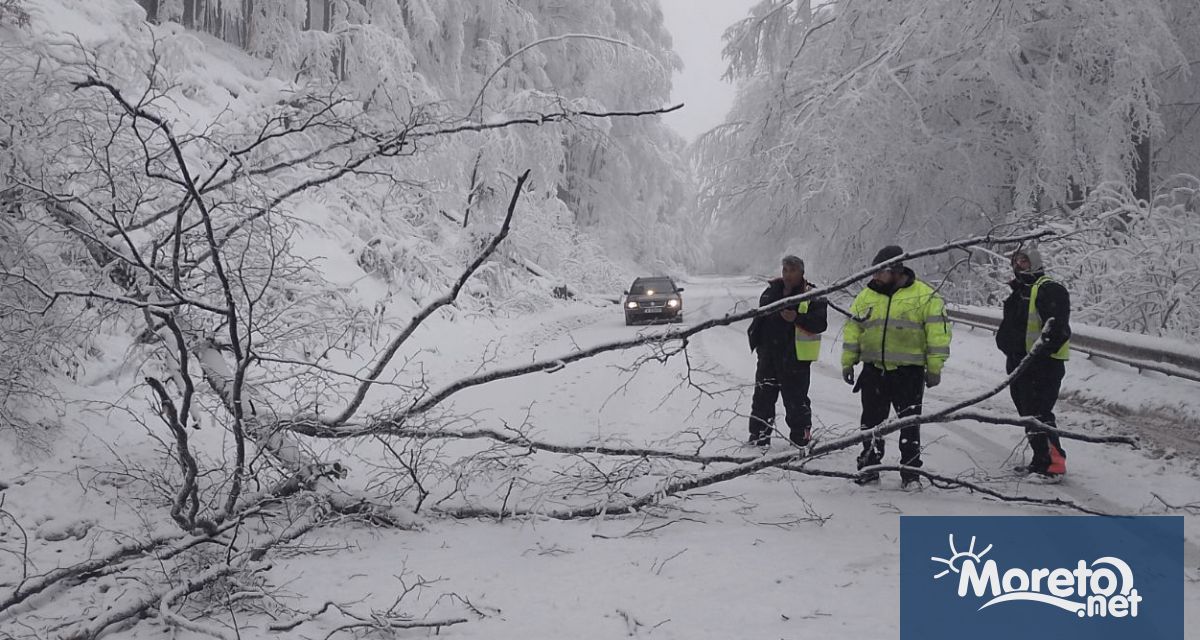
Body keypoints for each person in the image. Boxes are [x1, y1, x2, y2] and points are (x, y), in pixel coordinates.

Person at [842, 245, 951, 487]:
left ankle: (910, 472)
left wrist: (934, 367)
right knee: (870, 424)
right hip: (873, 371)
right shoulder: (866, 296)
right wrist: (848, 362)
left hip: (908, 373)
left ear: (896, 270)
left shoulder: (924, 296)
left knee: (910, 424)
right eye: (874, 271)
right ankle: (870, 467)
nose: (875, 276)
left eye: (881, 271)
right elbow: (853, 331)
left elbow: (938, 334)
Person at [994, 246, 1071, 481]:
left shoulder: (1048, 289)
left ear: (1035, 263)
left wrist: (1039, 354)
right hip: (1020, 363)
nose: (1019, 265)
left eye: (1024, 261)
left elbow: (1057, 328)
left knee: (1039, 413)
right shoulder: (1020, 291)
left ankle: (1054, 464)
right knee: (1028, 413)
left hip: (1043, 365)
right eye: (1016, 261)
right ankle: (1041, 460)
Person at [747, 255, 829, 447]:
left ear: (802, 272)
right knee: (762, 399)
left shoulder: (812, 294)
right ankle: (758, 437)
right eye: (785, 270)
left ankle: (802, 439)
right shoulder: (770, 292)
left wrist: (797, 318)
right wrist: (758, 343)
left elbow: (820, 323)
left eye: (792, 270)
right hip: (768, 357)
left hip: (795, 358)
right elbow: (760, 320)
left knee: (796, 402)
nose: (787, 274)